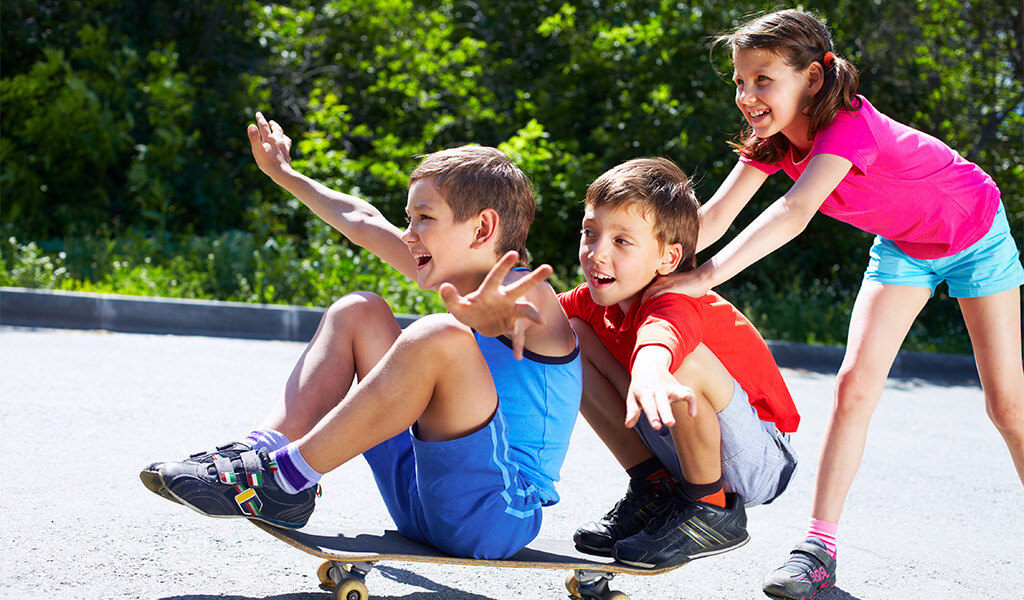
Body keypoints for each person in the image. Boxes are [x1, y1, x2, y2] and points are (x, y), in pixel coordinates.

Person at [646, 9, 1024, 599]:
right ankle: (818, 550)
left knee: (1007, 408)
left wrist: (705, 277)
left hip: (976, 232)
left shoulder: (847, 125)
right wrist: (647, 259)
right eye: (740, 82)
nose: (747, 96)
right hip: (905, 247)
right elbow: (713, 217)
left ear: (814, 79)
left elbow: (795, 212)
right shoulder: (773, 140)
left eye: (763, 80)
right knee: (853, 384)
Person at [140, 112, 583, 561]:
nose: (408, 235)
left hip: (495, 515)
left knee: (438, 334)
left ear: (482, 229)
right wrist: (285, 174)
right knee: (360, 310)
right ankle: (268, 457)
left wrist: (481, 321)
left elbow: (508, 318)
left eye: (424, 218)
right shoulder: (451, 268)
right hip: (418, 496)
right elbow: (359, 219)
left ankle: (289, 476)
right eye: (408, 219)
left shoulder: (533, 295)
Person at [453, 157, 801, 570]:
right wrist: (484, 317)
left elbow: (663, 337)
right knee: (568, 336)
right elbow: (543, 320)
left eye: (622, 241)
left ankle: (711, 510)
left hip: (757, 459)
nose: (597, 253)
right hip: (684, 443)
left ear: (668, 259)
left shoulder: (676, 299)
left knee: (681, 364)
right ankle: (654, 488)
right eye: (591, 233)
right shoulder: (591, 300)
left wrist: (652, 368)